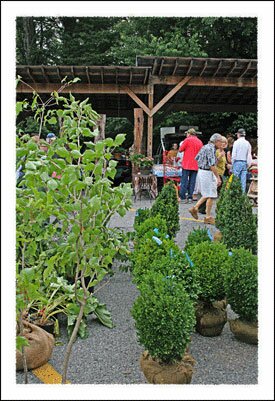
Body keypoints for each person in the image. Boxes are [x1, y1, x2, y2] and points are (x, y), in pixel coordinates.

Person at [189, 133, 224, 225]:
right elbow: (212, 165)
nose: (222, 144)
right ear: (216, 141)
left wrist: (218, 158)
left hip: (201, 171)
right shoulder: (211, 149)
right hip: (207, 173)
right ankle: (207, 217)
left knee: (208, 194)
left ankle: (195, 208)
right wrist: (218, 177)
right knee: (211, 194)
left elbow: (197, 158)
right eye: (221, 142)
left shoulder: (205, 147)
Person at [179, 128, 203, 203]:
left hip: (187, 164)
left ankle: (182, 197)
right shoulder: (200, 141)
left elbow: (180, 149)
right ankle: (190, 197)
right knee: (192, 182)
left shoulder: (187, 140)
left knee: (184, 181)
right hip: (196, 164)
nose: (186, 135)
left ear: (189, 133)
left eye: (187, 133)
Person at [231, 128, 252, 192]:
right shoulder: (247, 143)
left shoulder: (236, 142)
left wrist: (232, 163)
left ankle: (235, 195)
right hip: (244, 162)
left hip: (237, 162)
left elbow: (234, 154)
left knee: (235, 180)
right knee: (243, 181)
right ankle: (242, 196)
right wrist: (248, 164)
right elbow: (249, 155)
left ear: (238, 134)